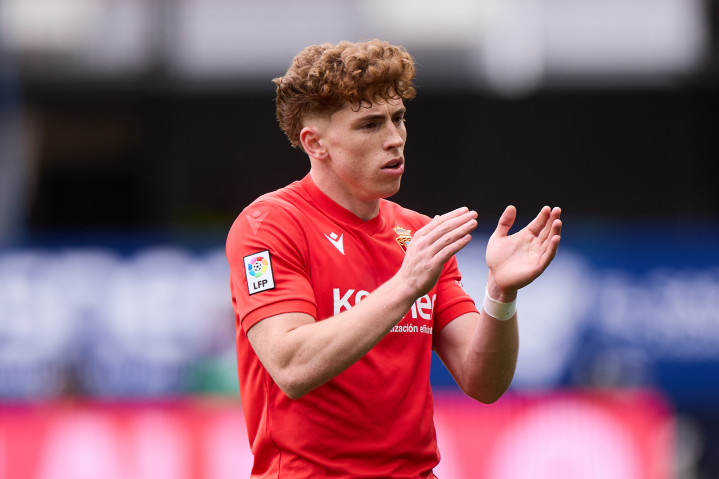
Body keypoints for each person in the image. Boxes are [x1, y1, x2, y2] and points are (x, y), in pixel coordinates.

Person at [226, 39, 562, 478]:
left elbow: (483, 381)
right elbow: (291, 365)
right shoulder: (269, 225)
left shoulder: (418, 236)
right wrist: (405, 285)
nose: (394, 139)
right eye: (369, 125)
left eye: (398, 118)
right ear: (315, 143)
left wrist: (500, 295)